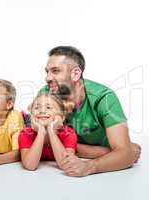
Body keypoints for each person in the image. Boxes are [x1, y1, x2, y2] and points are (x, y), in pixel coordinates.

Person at [39, 46, 141, 177]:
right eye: (47, 71)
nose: (47, 78)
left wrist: (89, 166)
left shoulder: (104, 98)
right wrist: (112, 152)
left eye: (55, 71)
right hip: (102, 153)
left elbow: (125, 156)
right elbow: (43, 144)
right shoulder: (45, 94)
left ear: (76, 74)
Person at [19, 93, 78, 171]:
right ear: (31, 115)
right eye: (37, 108)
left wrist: (51, 131)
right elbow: (30, 165)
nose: (42, 111)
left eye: (48, 107)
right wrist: (41, 132)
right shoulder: (25, 134)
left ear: (62, 117)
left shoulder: (69, 134)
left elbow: (66, 165)